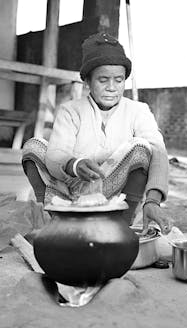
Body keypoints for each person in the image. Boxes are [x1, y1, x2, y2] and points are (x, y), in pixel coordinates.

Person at [22, 32, 170, 233]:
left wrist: (152, 200)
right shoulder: (71, 110)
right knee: (33, 147)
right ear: (87, 82)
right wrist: (74, 164)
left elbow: (159, 154)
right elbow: (55, 154)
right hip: (71, 191)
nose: (112, 88)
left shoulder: (138, 111)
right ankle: (51, 221)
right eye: (103, 80)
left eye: (119, 80)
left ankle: (121, 228)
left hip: (116, 197)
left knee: (143, 147)